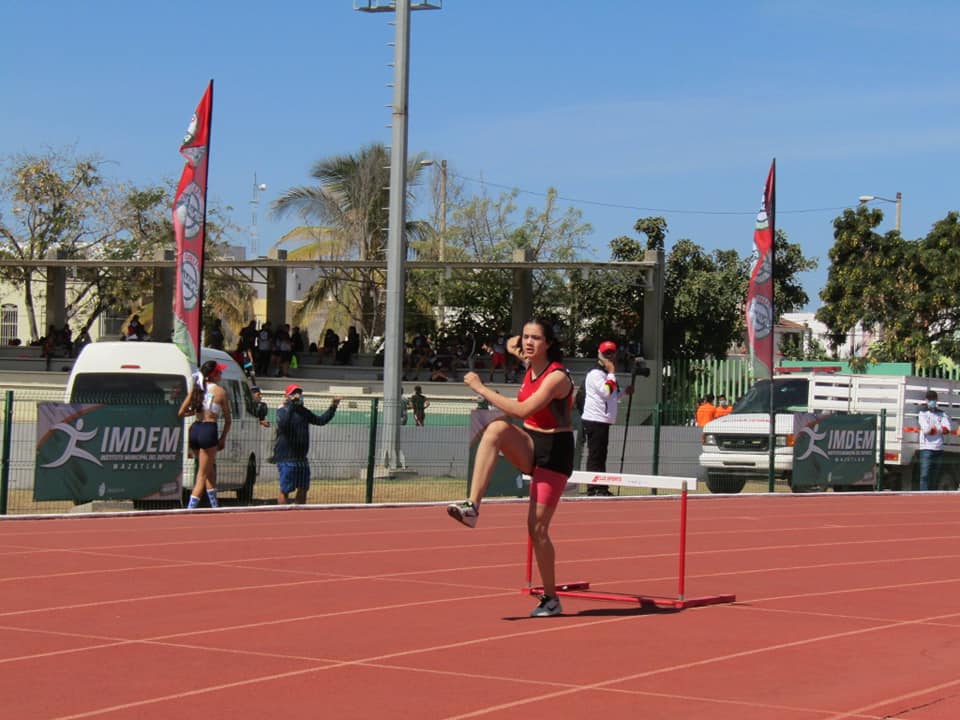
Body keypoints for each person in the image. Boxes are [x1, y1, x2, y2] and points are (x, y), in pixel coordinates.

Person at [448, 318, 575, 618]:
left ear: (549, 343)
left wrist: (480, 388)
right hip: (530, 441)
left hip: (554, 452)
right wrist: (517, 343)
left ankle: (551, 599)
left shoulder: (556, 377)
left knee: (537, 529)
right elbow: (509, 343)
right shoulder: (529, 361)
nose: (529, 343)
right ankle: (472, 507)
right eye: (526, 337)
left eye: (536, 338)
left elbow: (521, 409)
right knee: (496, 429)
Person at [273, 383, 341, 505]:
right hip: (286, 457)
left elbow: (320, 420)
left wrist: (333, 407)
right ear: (287, 396)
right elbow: (283, 424)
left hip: (301, 457)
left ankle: (299, 512)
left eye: (299, 393)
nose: (297, 395)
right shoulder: (282, 410)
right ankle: (282, 513)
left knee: (303, 487)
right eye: (294, 393)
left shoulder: (303, 411)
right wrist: (291, 405)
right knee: (285, 489)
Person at [580, 340, 633, 496]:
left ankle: (601, 487)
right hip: (595, 419)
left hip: (602, 420)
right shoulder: (596, 374)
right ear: (600, 354)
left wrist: (624, 392)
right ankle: (593, 488)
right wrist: (612, 373)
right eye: (606, 353)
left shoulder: (606, 375)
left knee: (601, 455)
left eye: (611, 353)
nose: (609, 356)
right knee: (596, 454)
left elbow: (612, 396)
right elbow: (606, 392)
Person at [178, 360, 231, 509]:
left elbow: (181, 412)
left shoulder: (196, 389)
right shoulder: (220, 392)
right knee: (202, 474)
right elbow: (228, 419)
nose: (221, 375)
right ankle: (190, 508)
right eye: (219, 372)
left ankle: (214, 505)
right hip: (208, 429)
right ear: (213, 375)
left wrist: (193, 412)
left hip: (196, 429)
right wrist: (223, 438)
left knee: (209, 470)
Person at [918, 390, 951, 491]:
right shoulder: (922, 413)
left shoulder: (942, 414)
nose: (932, 401)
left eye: (933, 399)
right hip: (926, 448)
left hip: (938, 448)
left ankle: (932, 495)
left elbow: (947, 429)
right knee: (925, 475)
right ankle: (923, 495)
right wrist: (940, 428)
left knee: (935, 476)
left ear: (937, 400)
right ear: (926, 400)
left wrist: (935, 429)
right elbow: (927, 430)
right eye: (930, 399)